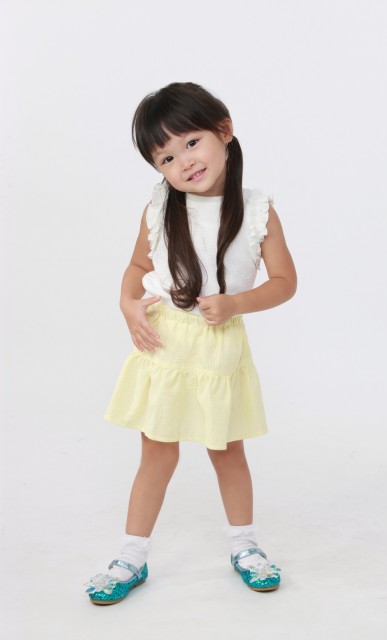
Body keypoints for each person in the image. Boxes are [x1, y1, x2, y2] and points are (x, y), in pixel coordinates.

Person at [84, 82, 297, 605]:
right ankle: (131, 555)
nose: (184, 162)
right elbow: (137, 265)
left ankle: (244, 545)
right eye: (166, 157)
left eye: (192, 142)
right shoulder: (160, 207)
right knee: (156, 453)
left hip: (219, 345)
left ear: (224, 130)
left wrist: (235, 303)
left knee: (227, 451)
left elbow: (284, 282)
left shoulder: (257, 210)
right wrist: (127, 304)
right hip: (166, 343)